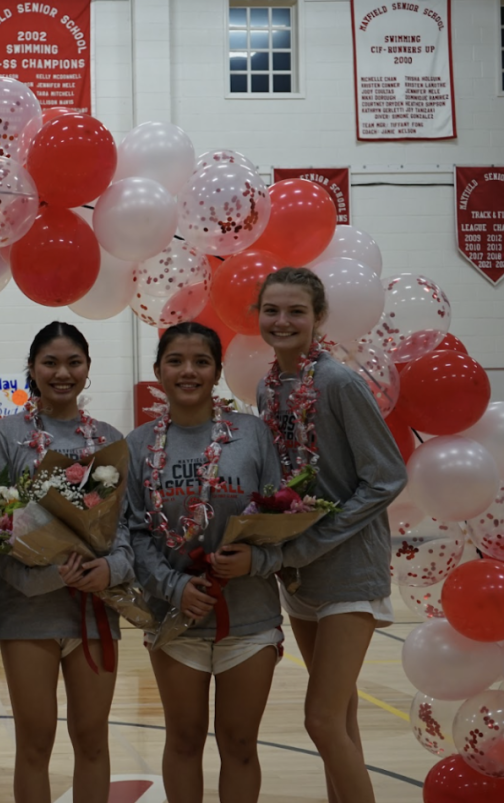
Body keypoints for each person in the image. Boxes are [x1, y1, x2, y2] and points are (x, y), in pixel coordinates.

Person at [216, 267, 406, 803]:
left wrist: (312, 541)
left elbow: (386, 477)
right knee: (340, 721)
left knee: (320, 720)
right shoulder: (267, 386)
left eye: (296, 310)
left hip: (347, 568)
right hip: (298, 574)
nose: (282, 321)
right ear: (259, 316)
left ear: (318, 317)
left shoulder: (339, 383)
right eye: (271, 310)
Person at [128, 322, 284, 803]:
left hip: (250, 618)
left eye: (201, 361)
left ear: (217, 371)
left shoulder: (252, 433)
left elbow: (283, 519)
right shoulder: (138, 444)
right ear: (158, 370)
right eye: (176, 360)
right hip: (174, 621)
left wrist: (255, 562)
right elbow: (133, 534)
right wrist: (174, 587)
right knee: (184, 740)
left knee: (239, 744)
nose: (188, 371)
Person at [0, 321, 131, 803]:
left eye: (73, 362)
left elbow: (125, 524)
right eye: (50, 362)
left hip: (95, 608)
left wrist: (112, 569)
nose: (62, 372)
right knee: (35, 744)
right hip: (29, 613)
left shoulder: (109, 439)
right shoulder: (3, 437)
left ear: (88, 368)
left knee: (92, 739)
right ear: (31, 368)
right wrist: (44, 574)